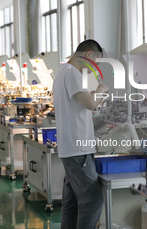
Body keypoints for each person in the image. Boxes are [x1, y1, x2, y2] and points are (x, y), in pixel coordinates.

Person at [53, 39, 110, 229]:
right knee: (92, 202)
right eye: (96, 63)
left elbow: (82, 104)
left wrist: (93, 94)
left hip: (70, 148)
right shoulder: (73, 74)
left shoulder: (63, 73)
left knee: (72, 203)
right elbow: (91, 104)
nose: (94, 69)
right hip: (78, 150)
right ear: (88, 56)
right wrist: (101, 91)